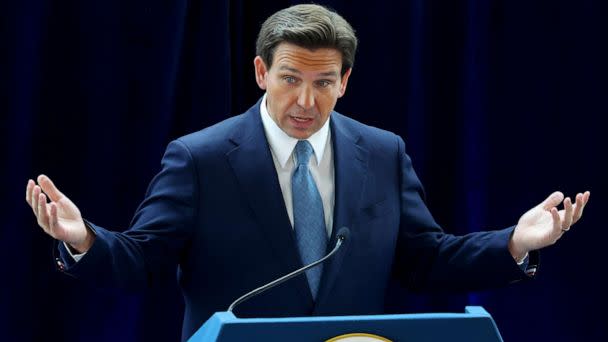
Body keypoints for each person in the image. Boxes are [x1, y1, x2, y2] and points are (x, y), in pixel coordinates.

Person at [25, 4, 589, 341]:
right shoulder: (199, 157)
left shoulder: (383, 151)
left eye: (323, 83)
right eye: (290, 78)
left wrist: (515, 242)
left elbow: (426, 258)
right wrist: (82, 239)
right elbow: (142, 259)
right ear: (260, 71)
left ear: (344, 81)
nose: (306, 101)